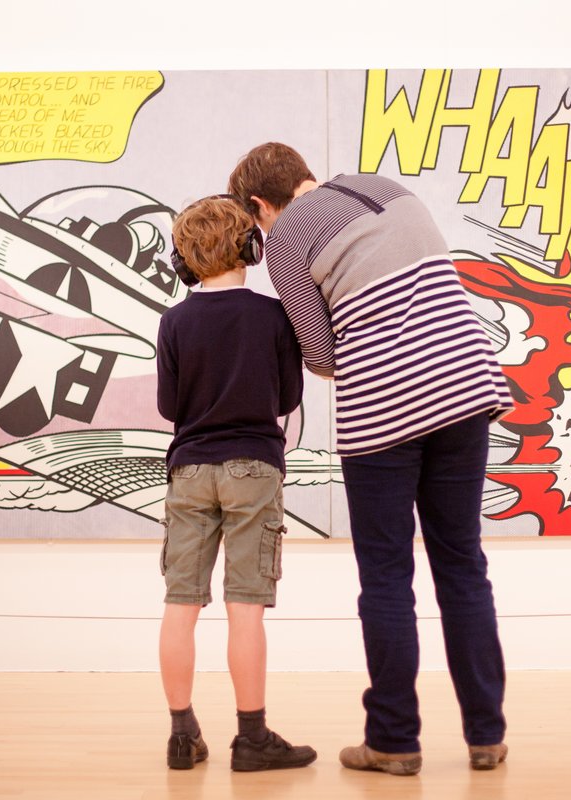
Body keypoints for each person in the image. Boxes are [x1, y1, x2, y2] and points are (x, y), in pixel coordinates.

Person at [228, 143, 514, 775]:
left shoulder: (287, 236)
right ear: (305, 173)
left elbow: (321, 353)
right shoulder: (384, 188)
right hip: (467, 385)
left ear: (257, 205)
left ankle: (393, 739)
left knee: (386, 576)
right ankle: (486, 735)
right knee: (462, 563)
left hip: (386, 408)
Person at [155, 194, 316, 772]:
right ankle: (251, 738)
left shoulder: (173, 321)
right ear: (251, 247)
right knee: (244, 606)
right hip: (254, 466)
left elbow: (170, 405)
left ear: (184, 259)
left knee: (181, 604)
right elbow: (290, 398)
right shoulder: (273, 315)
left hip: (190, 470)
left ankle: (181, 735)